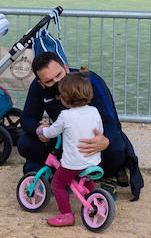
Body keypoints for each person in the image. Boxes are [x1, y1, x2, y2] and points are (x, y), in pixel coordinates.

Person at [16, 52, 144, 201]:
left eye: (59, 75)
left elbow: (111, 121)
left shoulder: (90, 81)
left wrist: (105, 140)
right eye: (49, 81)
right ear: (41, 83)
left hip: (91, 143)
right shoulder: (37, 88)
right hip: (64, 141)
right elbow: (27, 119)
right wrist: (39, 129)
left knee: (116, 146)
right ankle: (62, 173)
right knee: (25, 143)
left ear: (66, 67)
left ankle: (108, 175)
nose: (57, 82)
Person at [35, 72, 103, 226]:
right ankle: (95, 200)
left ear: (65, 99)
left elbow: (52, 132)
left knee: (57, 184)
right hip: (93, 160)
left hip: (74, 163)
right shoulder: (94, 111)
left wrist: (41, 131)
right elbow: (100, 132)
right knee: (86, 179)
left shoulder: (65, 115)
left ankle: (66, 214)